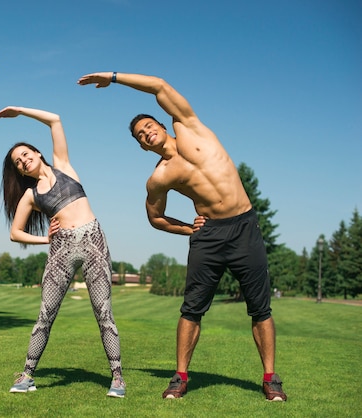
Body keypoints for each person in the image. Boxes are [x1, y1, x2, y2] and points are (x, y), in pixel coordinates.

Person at [77, 72, 287, 402]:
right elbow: (155, 218)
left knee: (260, 308)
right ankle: (180, 376)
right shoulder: (159, 177)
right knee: (191, 309)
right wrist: (190, 229)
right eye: (140, 137)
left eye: (148, 127)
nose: (146, 134)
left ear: (162, 125)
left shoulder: (191, 127)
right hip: (210, 236)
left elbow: (159, 86)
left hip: (245, 227)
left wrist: (114, 78)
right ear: (143, 147)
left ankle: (271, 378)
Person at [0, 105, 125, 398]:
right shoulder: (31, 195)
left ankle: (117, 378)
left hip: (93, 241)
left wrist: (18, 111)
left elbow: (54, 119)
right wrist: (46, 239)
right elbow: (15, 232)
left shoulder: (63, 165)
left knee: (104, 313)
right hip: (61, 249)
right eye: (18, 162)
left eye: (26, 154)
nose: (23, 161)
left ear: (38, 153)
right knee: (45, 314)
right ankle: (27, 375)